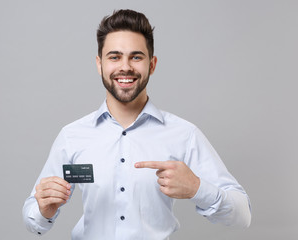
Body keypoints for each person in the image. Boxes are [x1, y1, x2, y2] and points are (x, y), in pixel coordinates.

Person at [22, 9, 251, 239]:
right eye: (114, 57)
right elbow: (33, 219)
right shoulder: (72, 136)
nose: (125, 67)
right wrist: (44, 210)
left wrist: (197, 188)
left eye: (136, 57)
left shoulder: (184, 134)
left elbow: (243, 215)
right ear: (99, 64)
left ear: (152, 65)